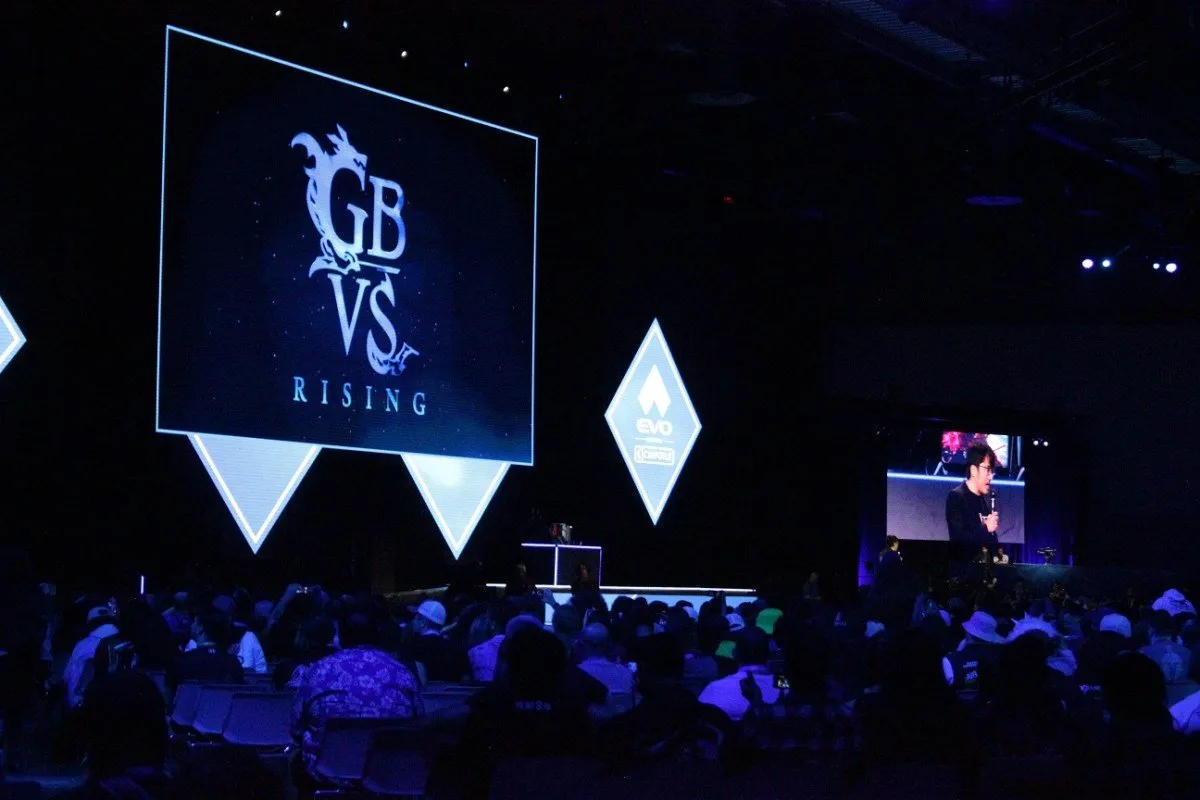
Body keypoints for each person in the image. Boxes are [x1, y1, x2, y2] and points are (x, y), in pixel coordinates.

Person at [946, 441, 999, 563]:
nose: (990, 476)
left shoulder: (983, 500)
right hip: (965, 570)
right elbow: (958, 539)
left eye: (992, 471)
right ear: (974, 470)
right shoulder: (956, 497)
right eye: (987, 469)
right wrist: (986, 528)